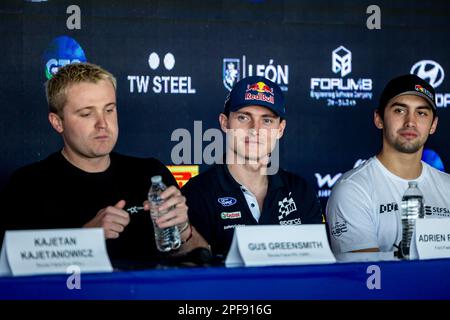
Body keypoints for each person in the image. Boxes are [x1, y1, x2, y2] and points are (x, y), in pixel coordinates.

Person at [0, 62, 207, 266]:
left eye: (109, 110)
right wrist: (85, 240)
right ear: (57, 122)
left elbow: (200, 262)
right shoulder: (28, 186)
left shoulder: (150, 174)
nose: (102, 124)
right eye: (86, 114)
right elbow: (14, 278)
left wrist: (182, 228)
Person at [181, 76, 323, 258]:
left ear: (280, 129)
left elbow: (315, 267)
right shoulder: (196, 195)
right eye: (243, 117)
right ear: (225, 123)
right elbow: (194, 276)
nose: (255, 129)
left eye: (267, 120)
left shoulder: (301, 191)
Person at [326, 74, 450, 254]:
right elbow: (367, 277)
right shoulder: (353, 189)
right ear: (379, 119)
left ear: (433, 125)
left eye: (421, 113)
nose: (410, 122)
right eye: (400, 110)